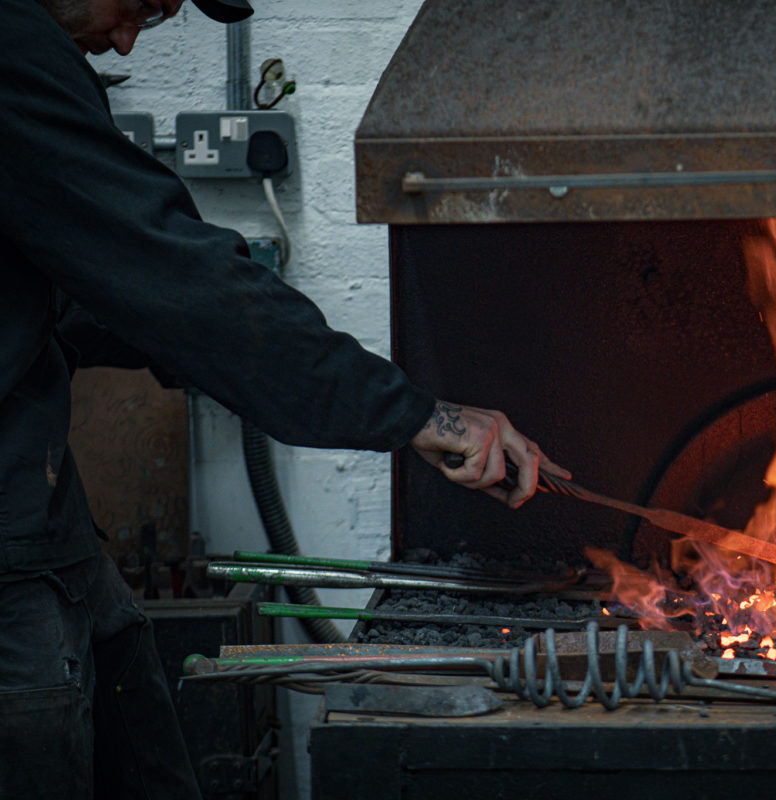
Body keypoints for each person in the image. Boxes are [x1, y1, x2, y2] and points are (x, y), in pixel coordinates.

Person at [0, 0, 569, 796]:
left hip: (43, 519)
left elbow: (87, 298)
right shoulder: (12, 49)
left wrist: (237, 351)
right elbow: (172, 280)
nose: (128, 38)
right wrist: (412, 415)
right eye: (142, 4)